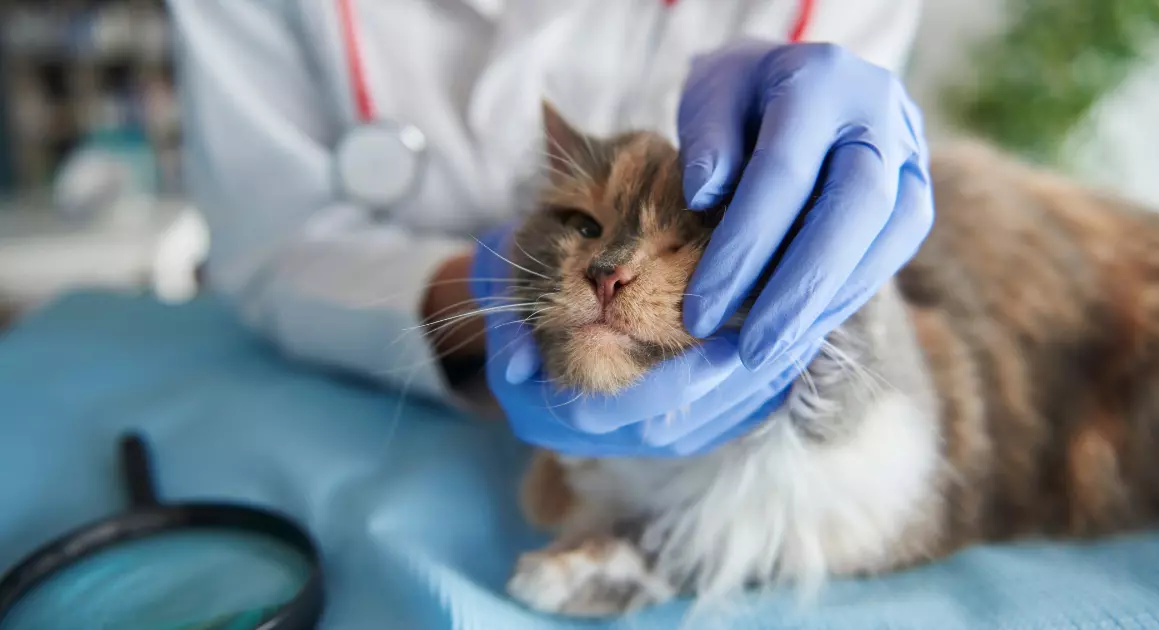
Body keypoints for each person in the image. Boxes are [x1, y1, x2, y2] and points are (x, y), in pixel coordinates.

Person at [167, 0, 932, 457]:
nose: (613, 271)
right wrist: (483, 295)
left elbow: (824, 216)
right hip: (359, 400)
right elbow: (269, 238)